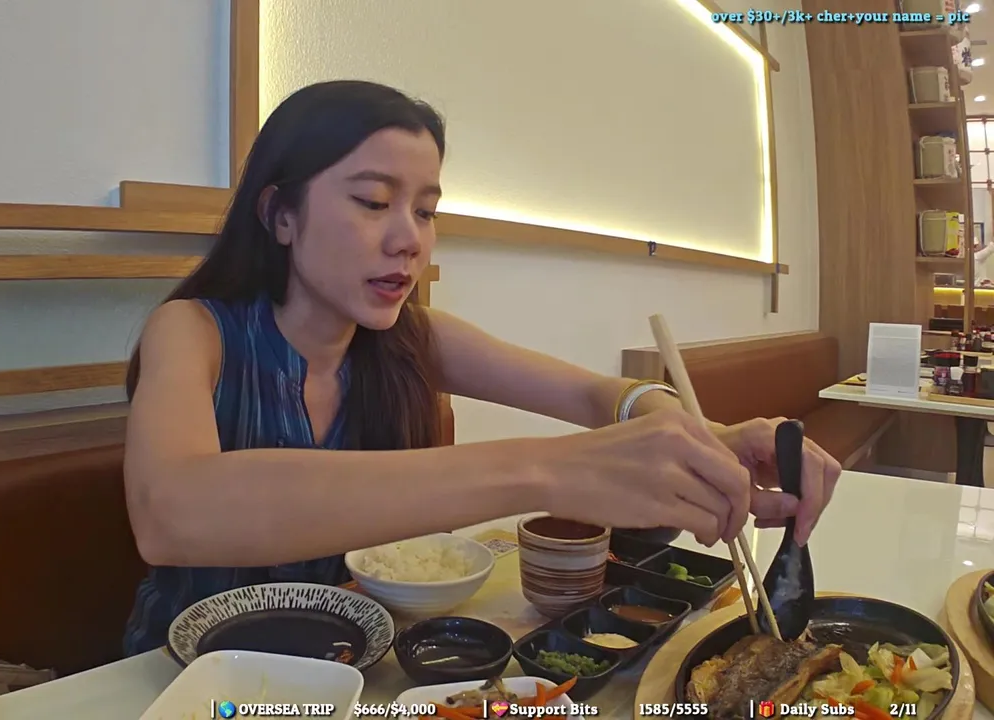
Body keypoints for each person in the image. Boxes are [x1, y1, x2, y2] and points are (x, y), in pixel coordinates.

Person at [120, 79, 842, 656]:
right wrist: (549, 470)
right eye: (373, 201)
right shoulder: (194, 332)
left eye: (425, 210)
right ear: (280, 214)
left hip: (349, 662)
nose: (408, 239)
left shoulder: (410, 338)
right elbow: (172, 512)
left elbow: (598, 394)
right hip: (185, 676)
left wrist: (707, 437)